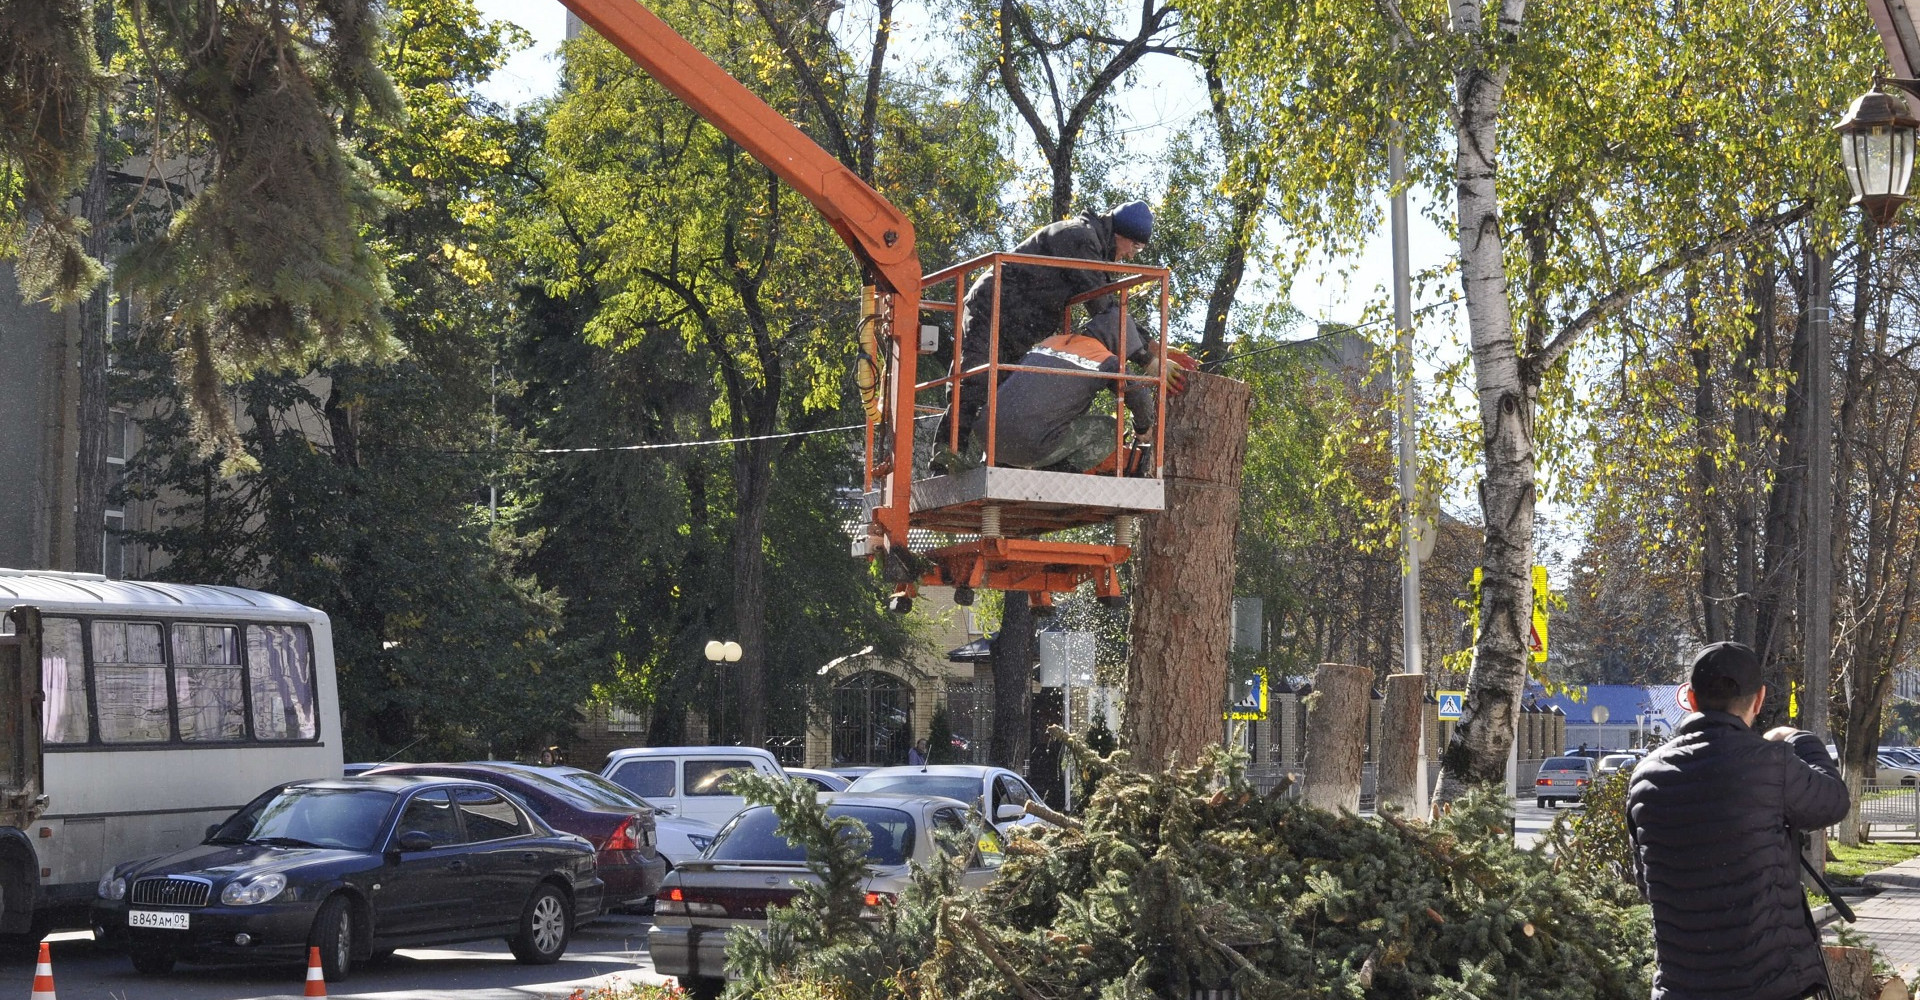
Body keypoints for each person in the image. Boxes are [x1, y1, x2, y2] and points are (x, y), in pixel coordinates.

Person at [1626, 641, 1849, 1000]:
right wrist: (1798, 739)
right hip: (1771, 984)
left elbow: (1646, 882)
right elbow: (1833, 802)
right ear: (1758, 700)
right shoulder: (1772, 763)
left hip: (1680, 987)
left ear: (1690, 698)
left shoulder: (1645, 777)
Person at [933, 200, 1170, 471]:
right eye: (1135, 247)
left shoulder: (1091, 244)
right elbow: (1103, 306)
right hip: (995, 305)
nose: (1130, 256)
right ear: (1121, 235)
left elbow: (1112, 306)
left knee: (1006, 387)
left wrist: (1154, 348)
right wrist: (1144, 358)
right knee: (976, 378)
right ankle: (946, 455)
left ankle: (997, 462)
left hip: (1016, 321)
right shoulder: (1080, 238)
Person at [990, 303, 1159, 474]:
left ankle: (1007, 462)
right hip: (1028, 444)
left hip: (989, 436)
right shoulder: (1107, 361)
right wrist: (1143, 428)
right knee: (1111, 428)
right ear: (1120, 344)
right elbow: (1139, 396)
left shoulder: (1052, 342)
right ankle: (1059, 472)